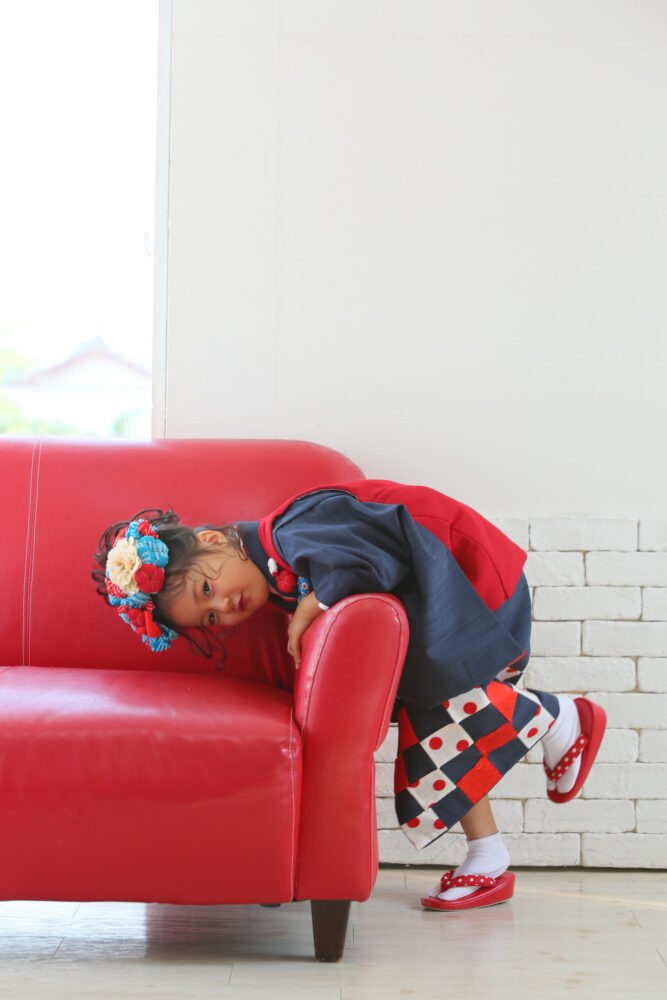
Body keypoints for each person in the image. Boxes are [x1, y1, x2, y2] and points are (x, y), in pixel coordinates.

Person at [92, 478, 607, 911]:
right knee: (440, 720)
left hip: (471, 579)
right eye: (210, 618)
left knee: (439, 701)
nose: (224, 608)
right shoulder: (276, 571)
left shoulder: (291, 529)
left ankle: (557, 719)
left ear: (213, 540)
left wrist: (311, 605)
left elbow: (367, 562)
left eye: (208, 590)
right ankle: (489, 855)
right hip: (447, 594)